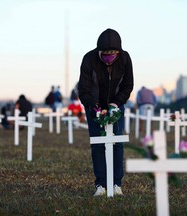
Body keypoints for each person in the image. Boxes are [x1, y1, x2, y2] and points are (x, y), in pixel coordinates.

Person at [78, 28, 134, 196]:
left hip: (115, 106)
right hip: (94, 107)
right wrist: (94, 106)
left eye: (113, 55)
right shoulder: (89, 59)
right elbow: (84, 89)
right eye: (105, 56)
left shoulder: (125, 58)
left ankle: (117, 183)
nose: (109, 60)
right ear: (99, 51)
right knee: (98, 145)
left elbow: (128, 85)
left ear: (119, 52)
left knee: (117, 144)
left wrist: (115, 103)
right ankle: (100, 184)